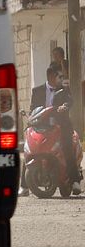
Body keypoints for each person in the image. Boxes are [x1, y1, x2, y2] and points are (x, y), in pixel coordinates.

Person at [29, 66, 82, 194]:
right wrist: (31, 116)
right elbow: (32, 108)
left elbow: (70, 101)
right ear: (51, 77)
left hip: (61, 125)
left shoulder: (64, 89)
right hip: (42, 125)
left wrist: (65, 106)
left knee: (67, 147)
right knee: (30, 148)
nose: (62, 79)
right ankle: (24, 186)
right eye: (60, 76)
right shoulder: (37, 90)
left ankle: (74, 181)